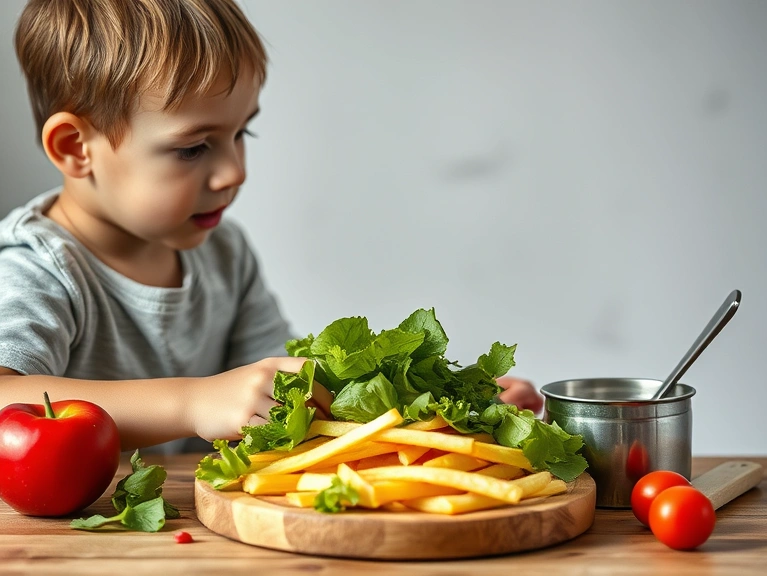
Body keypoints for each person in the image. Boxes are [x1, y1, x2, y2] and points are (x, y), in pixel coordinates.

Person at [0, 0, 542, 454]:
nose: (235, 171)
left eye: (242, 134)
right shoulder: (39, 266)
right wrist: (194, 402)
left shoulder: (224, 253)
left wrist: (449, 412)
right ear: (76, 149)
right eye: (193, 148)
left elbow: (293, 391)